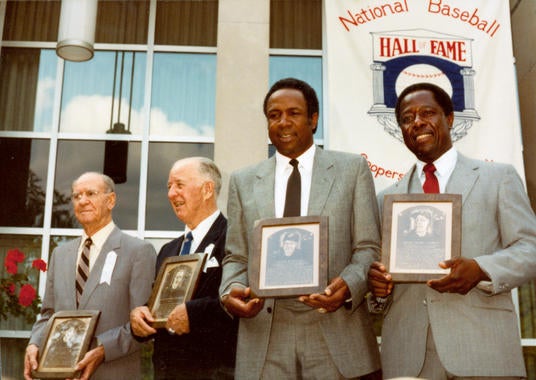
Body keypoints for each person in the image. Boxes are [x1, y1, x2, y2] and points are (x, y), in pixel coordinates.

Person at [368, 82, 536, 379]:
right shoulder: (384, 201)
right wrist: (378, 289)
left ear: (449, 119)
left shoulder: (498, 178)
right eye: (407, 119)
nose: (417, 122)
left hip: (483, 351)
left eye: (427, 113)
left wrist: (480, 269)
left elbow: (529, 249)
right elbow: (376, 285)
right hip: (409, 359)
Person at [219, 77, 382, 379]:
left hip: (334, 329)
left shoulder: (351, 170)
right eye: (274, 115)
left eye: (293, 113)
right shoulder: (243, 180)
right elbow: (236, 257)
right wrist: (229, 291)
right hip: (265, 335)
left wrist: (348, 285)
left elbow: (368, 247)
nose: (283, 122)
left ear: (313, 119)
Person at [24, 172, 157, 380]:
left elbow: (143, 324)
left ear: (111, 200)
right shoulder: (60, 254)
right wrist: (35, 342)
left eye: (90, 194)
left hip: (113, 372)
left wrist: (103, 350)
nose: (82, 201)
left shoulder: (138, 251)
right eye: (76, 196)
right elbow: (48, 314)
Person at [130, 157, 238, 380]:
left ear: (207, 189)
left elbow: (240, 302)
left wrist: (194, 313)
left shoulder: (235, 238)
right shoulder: (168, 250)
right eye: (169, 187)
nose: (171, 194)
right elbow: (159, 304)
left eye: (179, 185)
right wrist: (140, 316)